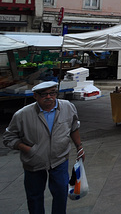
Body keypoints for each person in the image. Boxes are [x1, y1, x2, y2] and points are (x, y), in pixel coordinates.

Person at [3, 81, 85, 214]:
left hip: (60, 158)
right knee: (34, 196)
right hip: (34, 161)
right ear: (35, 96)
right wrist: (28, 149)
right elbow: (8, 138)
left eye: (52, 93)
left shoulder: (68, 107)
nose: (49, 97)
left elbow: (74, 127)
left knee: (60, 192)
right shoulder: (22, 114)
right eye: (44, 94)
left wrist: (79, 146)